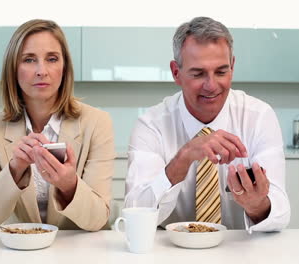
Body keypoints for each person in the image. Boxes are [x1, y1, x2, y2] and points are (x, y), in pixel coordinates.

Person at [124, 17, 290, 232]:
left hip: (239, 250)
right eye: (198, 73)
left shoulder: (258, 117)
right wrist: (182, 158)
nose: (211, 86)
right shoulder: (151, 125)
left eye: (221, 72)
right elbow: (134, 213)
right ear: (176, 73)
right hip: (170, 252)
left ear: (232, 66)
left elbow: (280, 213)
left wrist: (257, 206)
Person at [0, 19, 115, 231]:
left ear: (64, 67)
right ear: (13, 68)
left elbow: (98, 220)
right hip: (19, 251)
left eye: (52, 59)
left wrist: (69, 186)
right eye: (29, 60)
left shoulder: (97, 123)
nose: (42, 71)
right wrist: (15, 169)